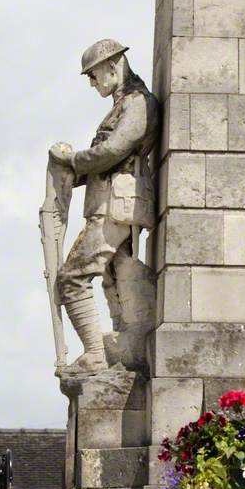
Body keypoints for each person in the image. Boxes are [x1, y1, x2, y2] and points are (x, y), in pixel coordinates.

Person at [48, 39, 160, 374]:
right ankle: (121, 349)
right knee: (114, 278)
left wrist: (73, 160)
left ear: (114, 64)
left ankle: (95, 353)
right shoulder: (124, 103)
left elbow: (115, 149)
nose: (92, 82)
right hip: (110, 201)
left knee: (72, 276)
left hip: (118, 203)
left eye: (94, 75)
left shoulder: (138, 102)